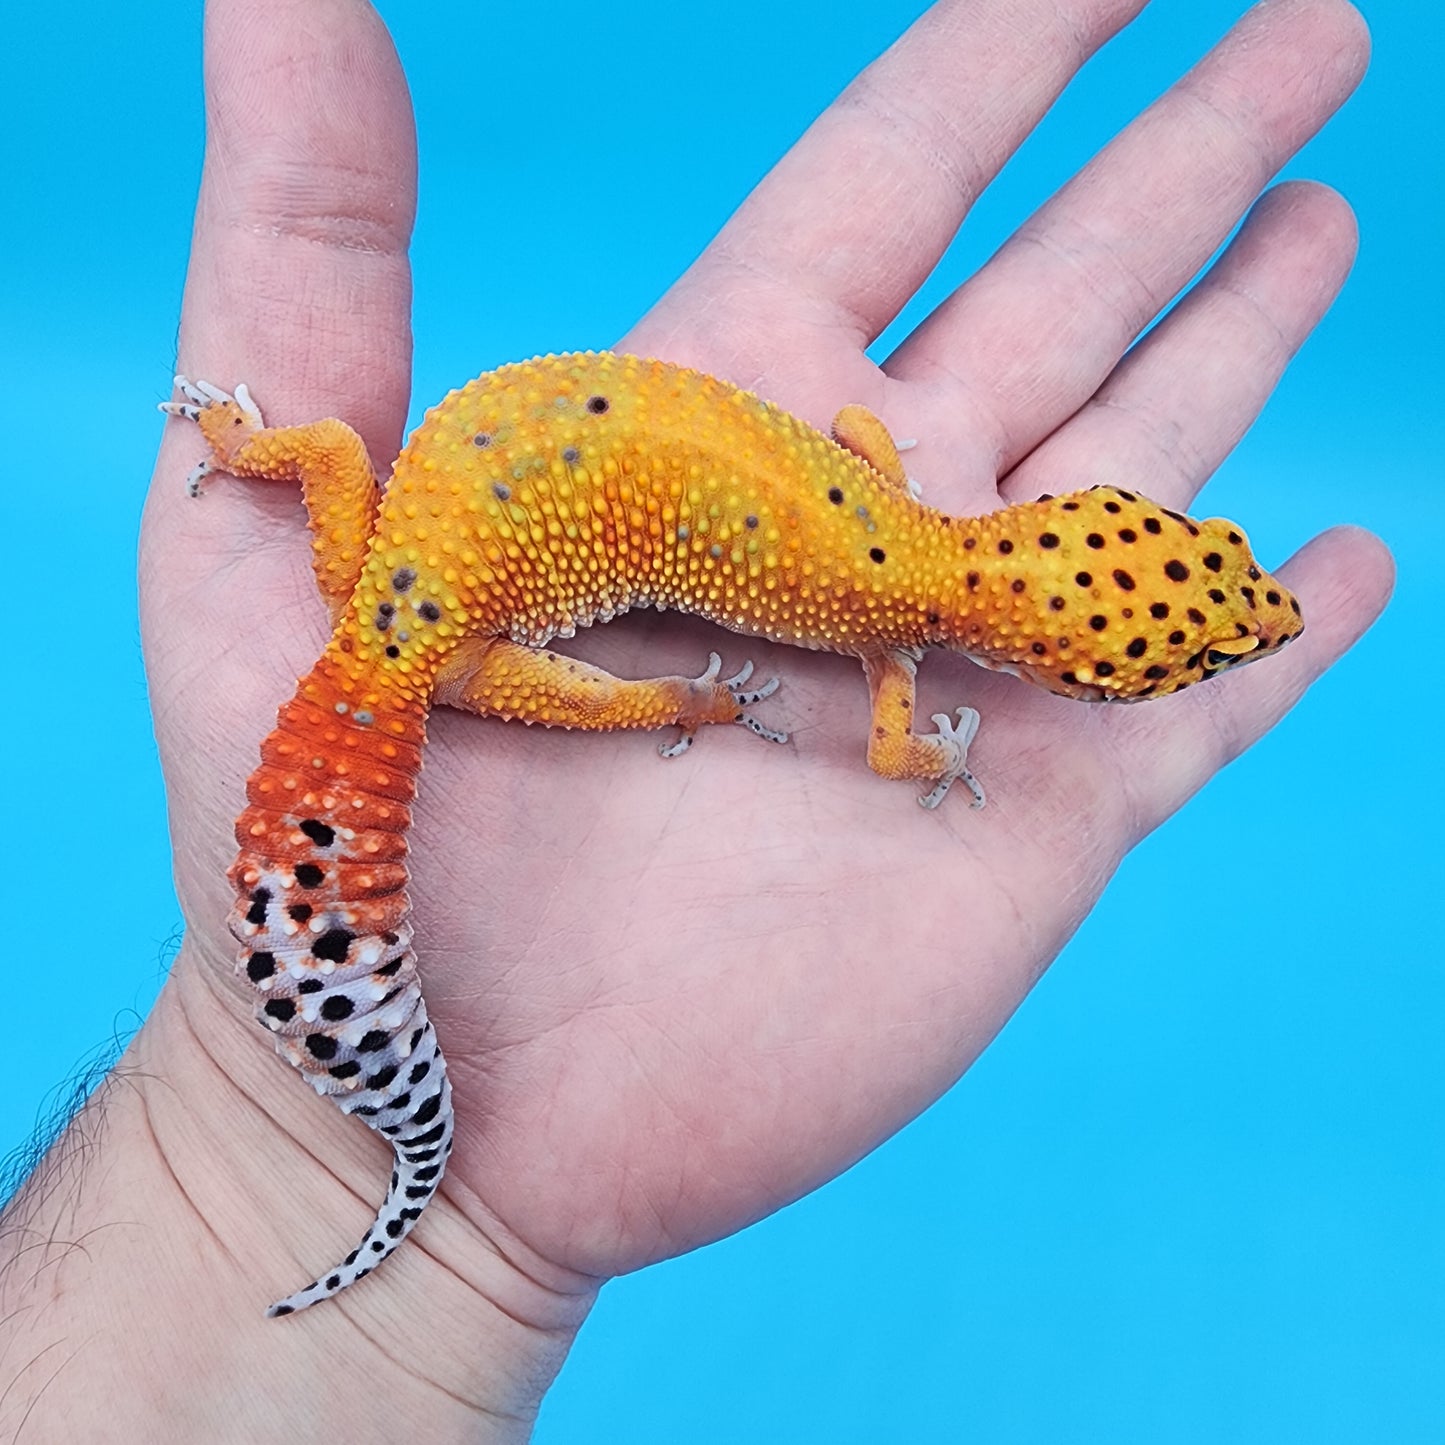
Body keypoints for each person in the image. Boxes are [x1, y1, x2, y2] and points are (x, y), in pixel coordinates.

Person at [0, 0, 1390, 1438]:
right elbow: (904, 740)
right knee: (653, 691)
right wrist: (717, 705)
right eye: (1188, 641)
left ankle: (256, 455)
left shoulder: (892, 508)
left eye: (1200, 615)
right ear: (1069, 664)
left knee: (337, 459)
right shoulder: (888, 652)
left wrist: (245, 447)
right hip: (449, 632)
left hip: (416, 548)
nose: (1242, 619)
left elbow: (856, 439)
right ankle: (452, 1021)